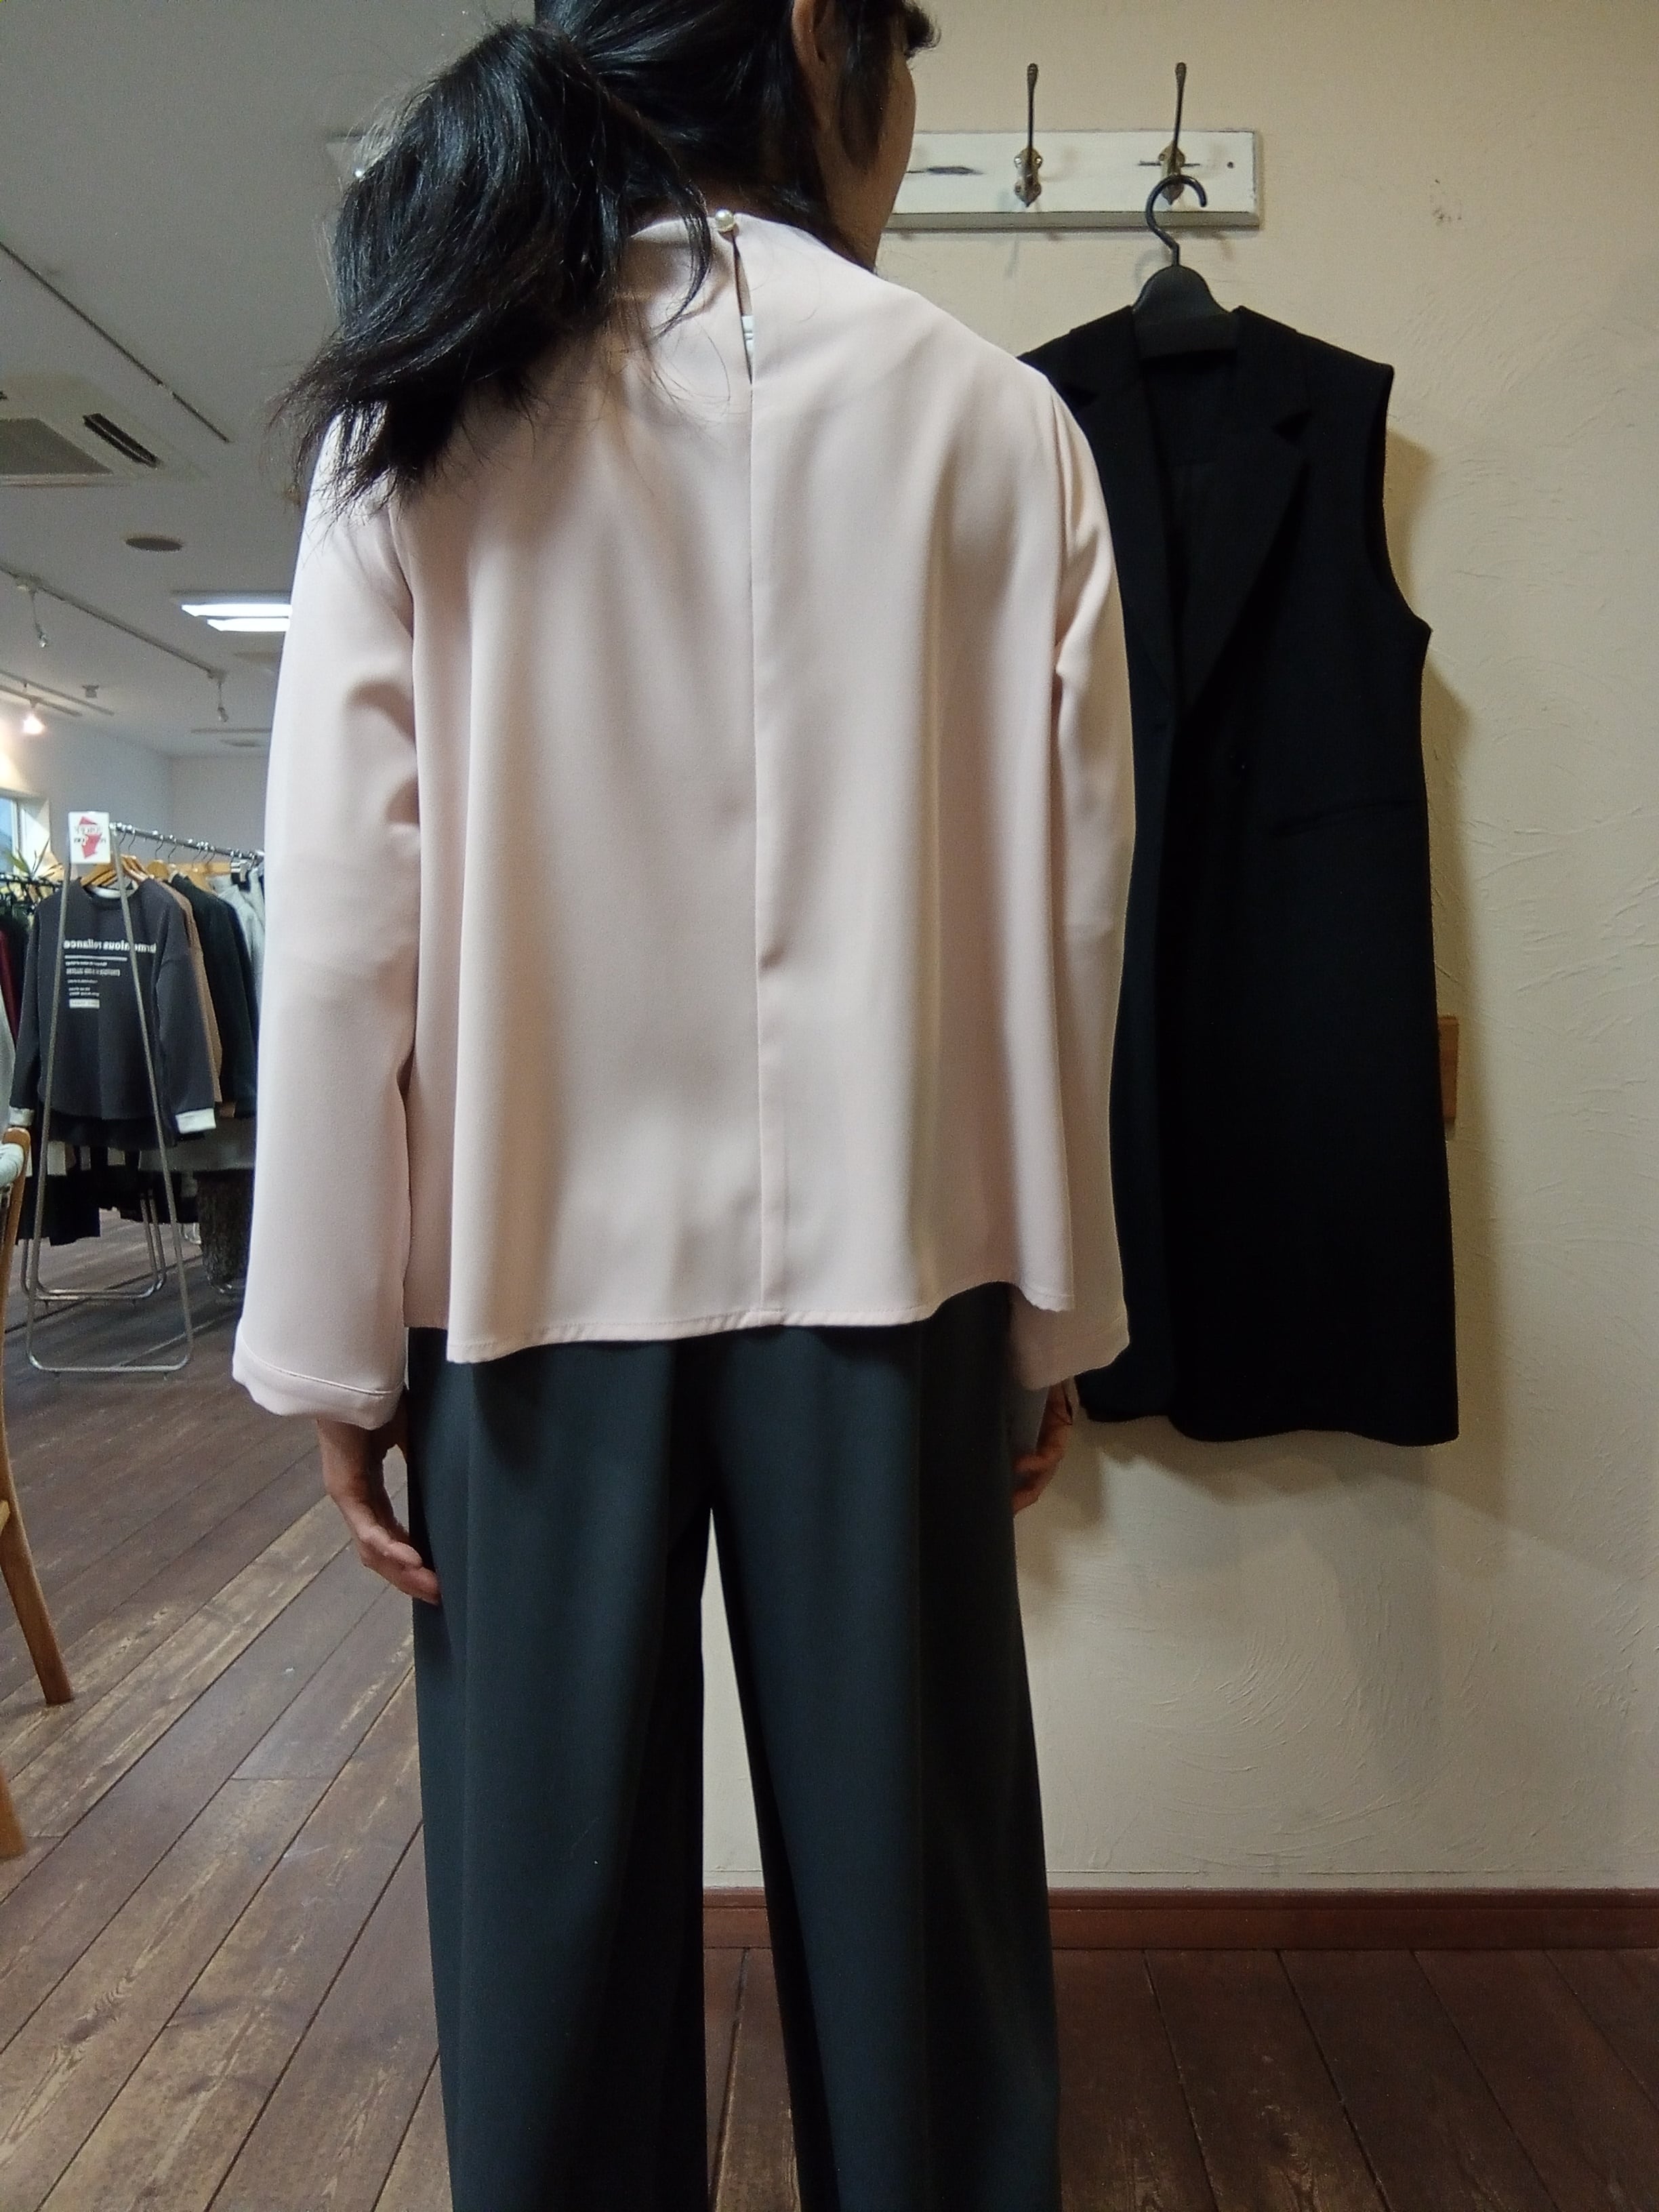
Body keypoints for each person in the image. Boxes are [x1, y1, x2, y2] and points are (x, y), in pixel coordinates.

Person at [234, 1, 1135, 2204]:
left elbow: (345, 937)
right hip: (898, 1275)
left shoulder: (429, 412)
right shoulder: (999, 425)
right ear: (822, 39)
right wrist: (1049, 1316)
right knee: (925, 1968)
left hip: (525, 1301)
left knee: (545, 1961)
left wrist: (335, 1354)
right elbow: (1073, 913)